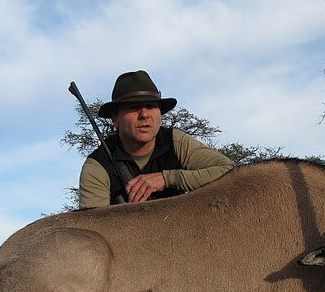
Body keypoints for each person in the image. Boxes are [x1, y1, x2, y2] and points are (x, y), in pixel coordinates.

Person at [79, 70, 234, 208]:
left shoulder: (175, 141)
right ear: (115, 120)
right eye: (133, 108)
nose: (144, 115)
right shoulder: (97, 166)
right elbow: (93, 224)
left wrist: (167, 178)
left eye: (151, 106)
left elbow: (228, 171)